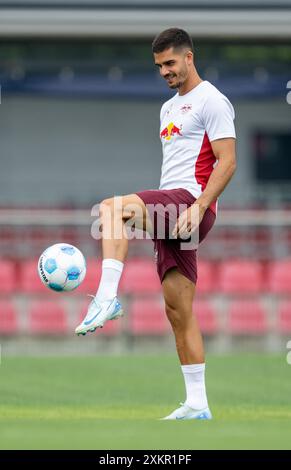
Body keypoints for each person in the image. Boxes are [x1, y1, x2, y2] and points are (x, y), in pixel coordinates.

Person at [75, 28, 236, 420]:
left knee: (111, 209)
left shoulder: (212, 100)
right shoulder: (167, 109)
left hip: (190, 203)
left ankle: (107, 297)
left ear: (189, 58)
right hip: (172, 209)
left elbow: (227, 161)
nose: (164, 71)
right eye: (159, 66)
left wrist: (200, 206)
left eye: (170, 63)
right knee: (178, 311)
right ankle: (198, 404)